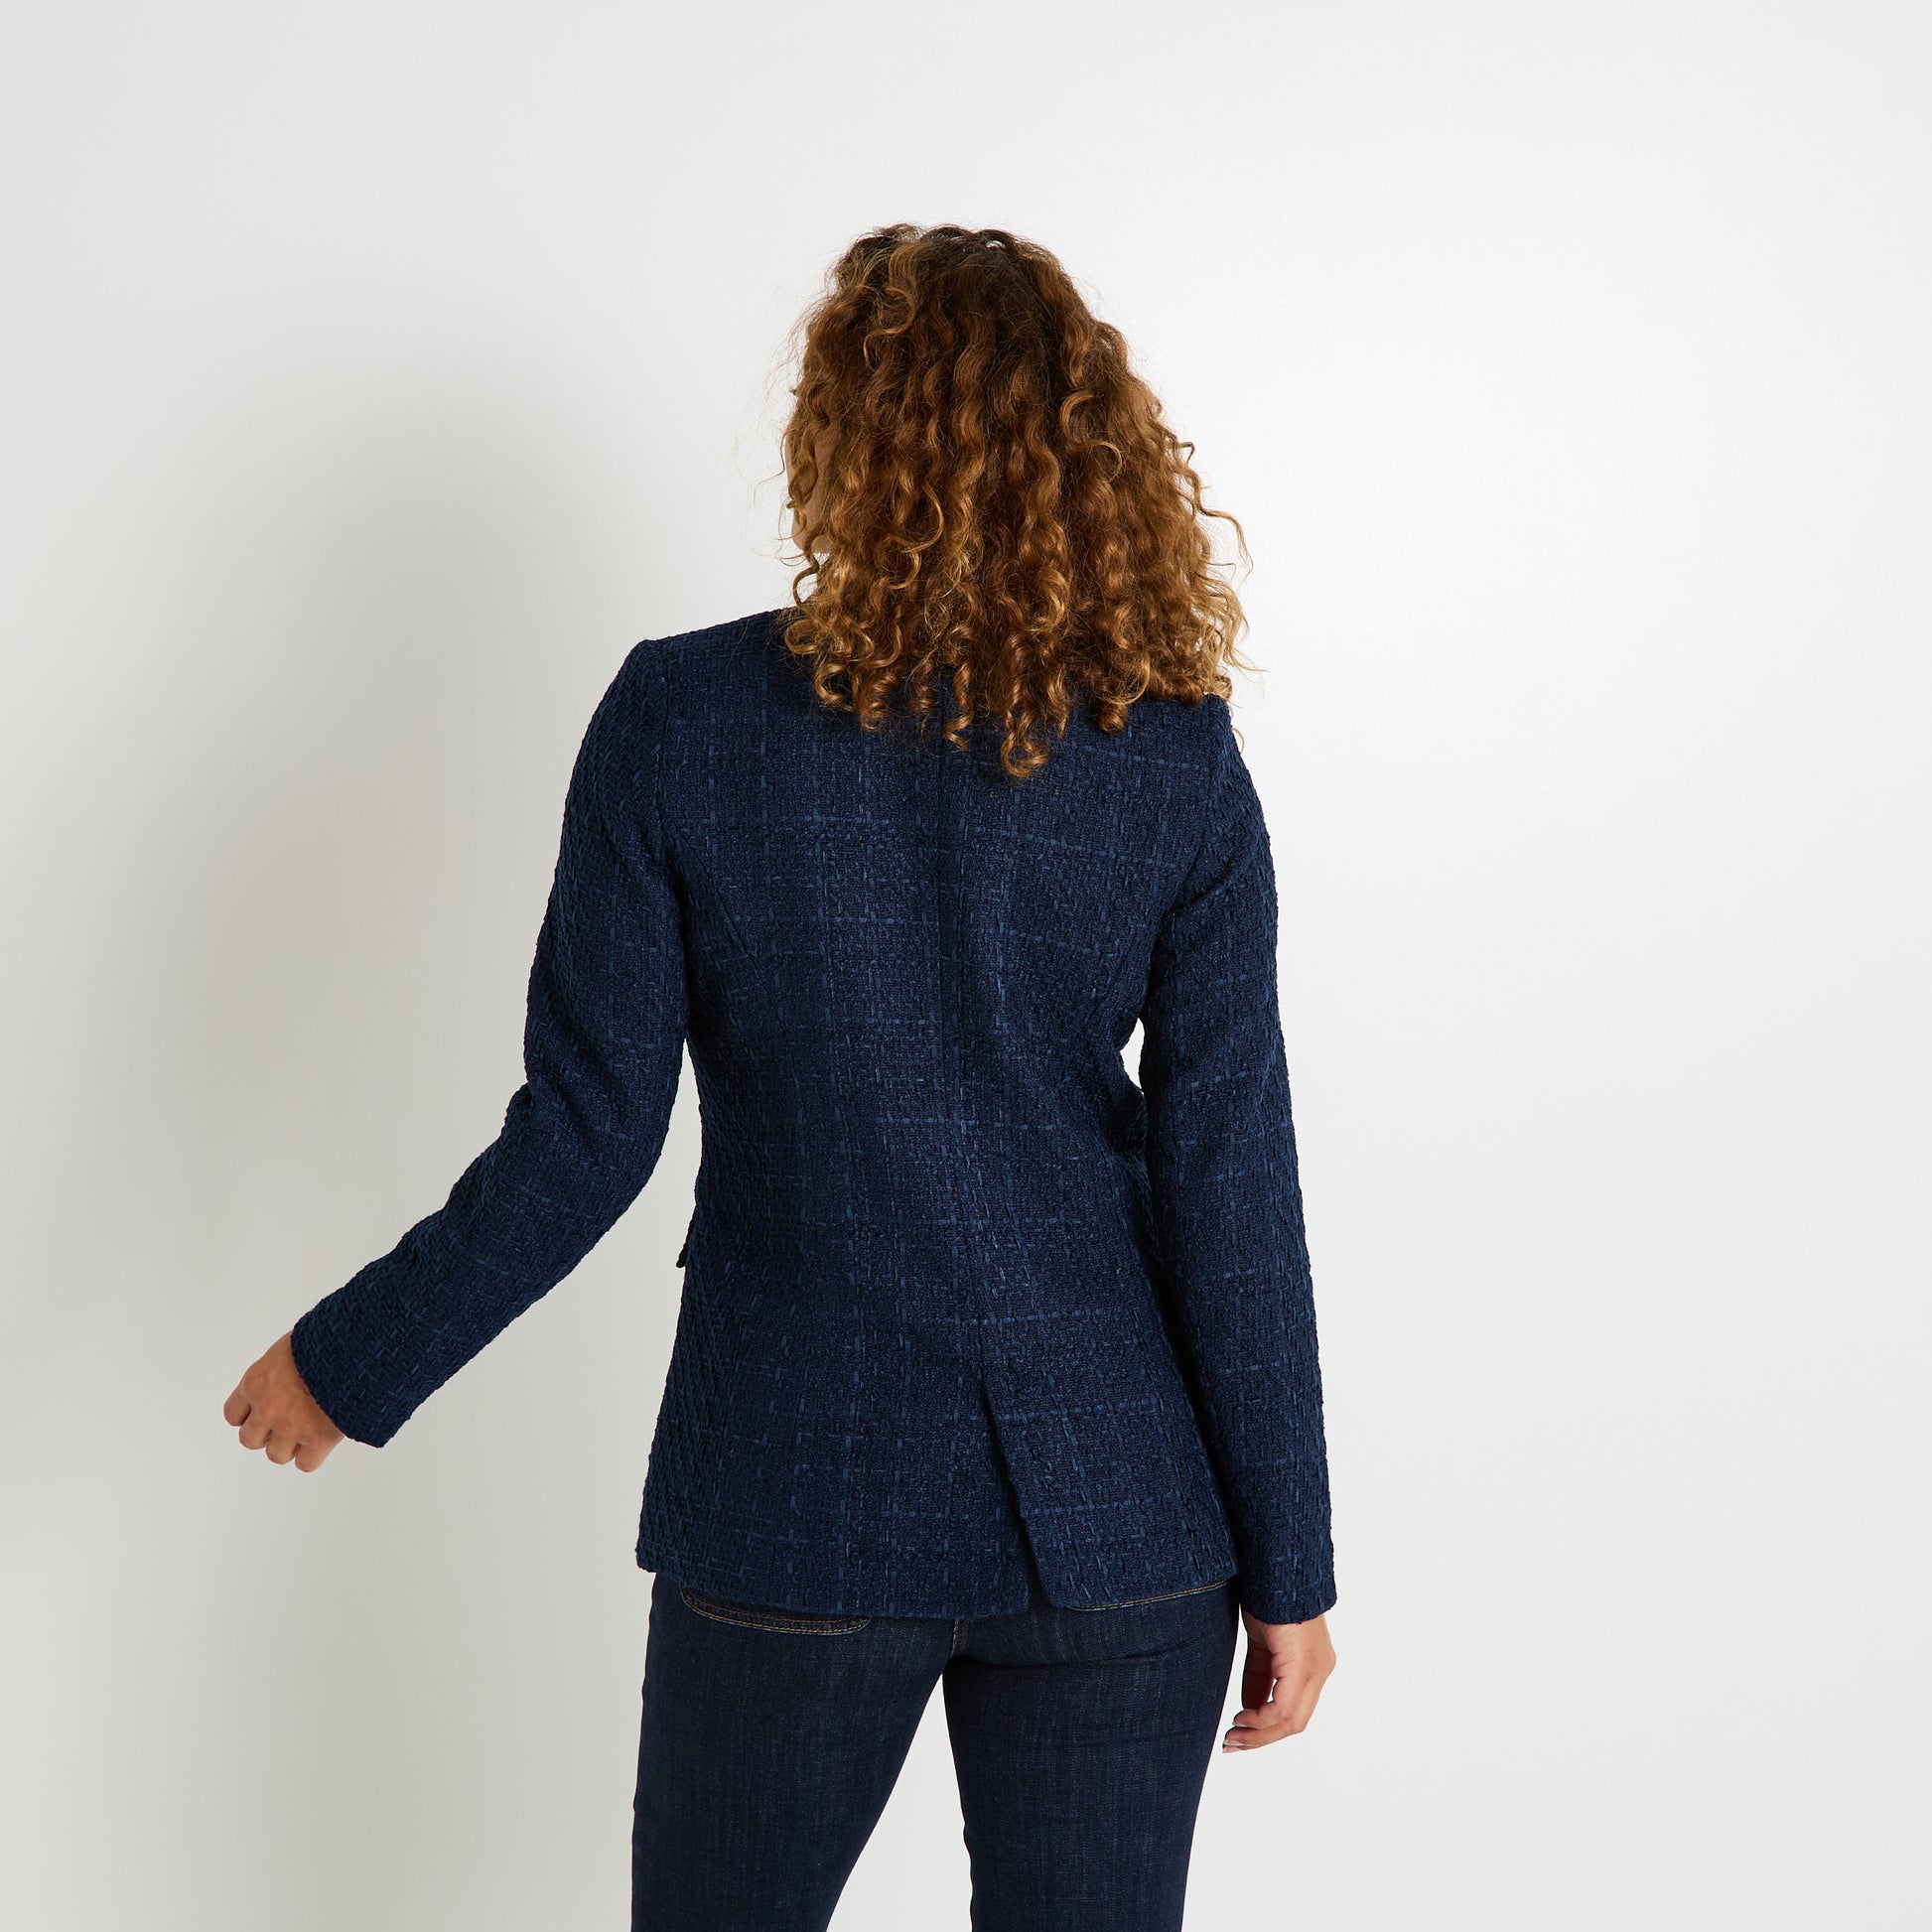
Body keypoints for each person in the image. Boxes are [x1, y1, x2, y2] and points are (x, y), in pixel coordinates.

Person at [223, 222, 1338, 1932]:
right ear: (1088, 448)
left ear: (837, 439)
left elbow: (587, 1133)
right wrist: (1289, 1562)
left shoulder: (684, 717)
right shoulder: (1166, 747)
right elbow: (1229, 1183)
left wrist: (347, 1356)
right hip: (1124, 1518)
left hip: (797, 1492)